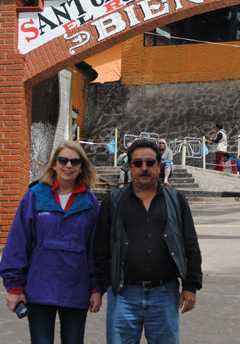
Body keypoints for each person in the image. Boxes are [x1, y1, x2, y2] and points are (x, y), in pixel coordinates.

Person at [95, 139, 202, 344]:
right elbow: (101, 245)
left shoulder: (176, 199)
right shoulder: (114, 201)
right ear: (129, 167)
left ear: (159, 166)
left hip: (164, 293)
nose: (144, 168)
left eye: (150, 163)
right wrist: (106, 282)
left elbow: (190, 245)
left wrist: (191, 286)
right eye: (138, 163)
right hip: (123, 294)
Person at [0, 140, 102, 344]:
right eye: (63, 160)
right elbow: (18, 243)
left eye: (75, 161)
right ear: (54, 164)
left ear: (82, 167)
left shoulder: (90, 203)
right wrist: (14, 288)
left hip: (76, 288)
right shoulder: (34, 197)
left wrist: (96, 288)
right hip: (39, 288)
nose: (68, 165)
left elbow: (95, 249)